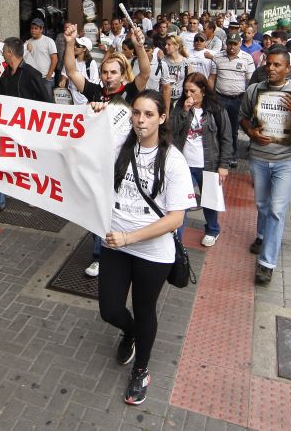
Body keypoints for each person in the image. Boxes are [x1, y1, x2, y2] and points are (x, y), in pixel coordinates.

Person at [90, 89, 195, 405]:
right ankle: (131, 331)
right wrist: (93, 112)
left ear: (162, 118)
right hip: (115, 244)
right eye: (136, 112)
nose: (140, 120)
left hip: (152, 252)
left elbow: (176, 218)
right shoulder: (121, 142)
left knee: (145, 307)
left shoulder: (174, 161)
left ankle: (141, 369)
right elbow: (91, 130)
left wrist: (130, 238)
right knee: (109, 309)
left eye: (149, 114)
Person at [63, 22, 152, 277]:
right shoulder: (94, 92)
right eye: (105, 72)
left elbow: (145, 71)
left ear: (123, 74)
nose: (108, 77)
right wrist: (69, 43)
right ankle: (99, 255)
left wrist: (138, 45)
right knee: (98, 210)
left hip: (126, 164)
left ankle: (128, 250)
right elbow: (71, 70)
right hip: (98, 164)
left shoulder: (131, 91)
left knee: (122, 208)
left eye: (113, 72)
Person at [239, 45, 291, 284]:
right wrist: (251, 132)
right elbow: (243, 117)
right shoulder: (254, 89)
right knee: (263, 204)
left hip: (286, 160)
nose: (271, 68)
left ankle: (267, 263)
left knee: (277, 210)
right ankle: (262, 235)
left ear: (287, 67)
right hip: (260, 157)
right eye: (268, 64)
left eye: (277, 65)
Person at [0, 37, 54, 212]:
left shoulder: (31, 74)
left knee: (32, 164)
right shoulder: (6, 74)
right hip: (8, 129)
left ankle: (37, 195)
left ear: (10, 53)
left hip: (30, 131)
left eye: (3, 51)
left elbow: (48, 102)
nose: (2, 54)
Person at [171, 72, 235, 246]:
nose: (189, 95)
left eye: (193, 91)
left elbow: (226, 137)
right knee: (181, 200)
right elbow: (171, 129)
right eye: (186, 91)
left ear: (203, 91)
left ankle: (212, 230)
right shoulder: (181, 106)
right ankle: (176, 234)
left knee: (209, 200)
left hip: (209, 163)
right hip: (184, 164)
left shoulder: (216, 109)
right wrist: (184, 111)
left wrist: (224, 164)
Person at [213, 34, 255, 165]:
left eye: (235, 44)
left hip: (238, 100)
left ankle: (232, 155)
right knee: (218, 127)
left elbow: (251, 81)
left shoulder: (247, 58)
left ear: (240, 44)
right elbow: (212, 77)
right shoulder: (217, 57)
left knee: (233, 129)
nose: (231, 47)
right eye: (230, 43)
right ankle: (218, 154)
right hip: (220, 97)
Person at [59, 36, 99, 105]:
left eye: (78, 46)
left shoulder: (91, 63)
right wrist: (63, 80)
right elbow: (64, 73)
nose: (75, 47)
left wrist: (90, 99)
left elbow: (94, 82)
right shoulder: (70, 61)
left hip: (84, 99)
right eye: (75, 44)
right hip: (70, 96)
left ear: (84, 49)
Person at [23, 18, 58, 90]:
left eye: (36, 28)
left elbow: (54, 59)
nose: (33, 30)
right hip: (33, 79)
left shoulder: (49, 41)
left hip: (46, 78)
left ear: (41, 30)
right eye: (32, 28)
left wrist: (49, 76)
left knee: (47, 100)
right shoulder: (28, 42)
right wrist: (27, 50)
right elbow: (24, 59)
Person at [161, 34, 190, 108]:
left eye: (169, 44)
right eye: (165, 44)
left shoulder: (185, 62)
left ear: (177, 46)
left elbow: (190, 80)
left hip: (179, 99)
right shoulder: (162, 61)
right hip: (163, 98)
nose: (166, 47)